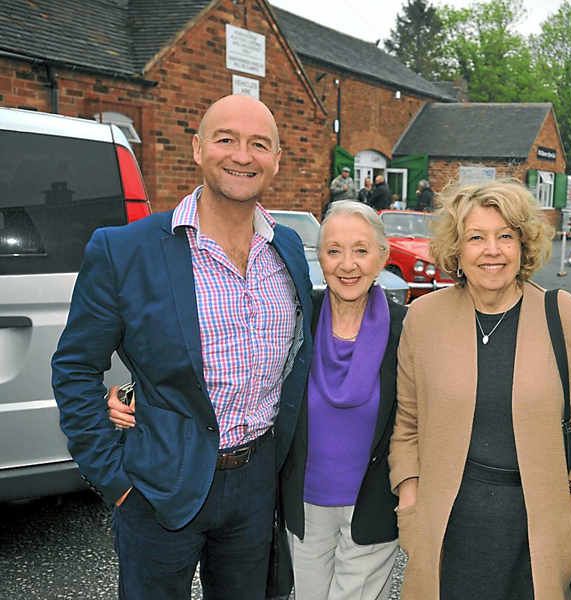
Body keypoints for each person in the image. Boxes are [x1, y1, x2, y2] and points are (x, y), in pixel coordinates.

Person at [52, 94, 314, 599]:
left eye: (259, 144)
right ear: (197, 149)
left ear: (277, 160)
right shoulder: (125, 250)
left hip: (256, 484)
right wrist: (115, 479)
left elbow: (298, 359)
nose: (242, 156)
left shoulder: (288, 251)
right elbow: (75, 368)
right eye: (226, 139)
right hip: (157, 484)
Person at [110, 201, 405, 600]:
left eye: (361, 250)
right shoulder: (298, 314)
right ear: (318, 258)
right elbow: (232, 364)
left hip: (372, 505)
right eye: (334, 250)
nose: (347, 264)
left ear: (382, 256)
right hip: (303, 507)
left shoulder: (407, 329)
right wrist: (134, 393)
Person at [389, 180, 571, 600]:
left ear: (524, 245)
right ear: (457, 249)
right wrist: (410, 500)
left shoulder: (567, 318)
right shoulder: (423, 318)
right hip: (445, 528)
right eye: (476, 237)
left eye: (505, 236)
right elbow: (407, 422)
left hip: (539, 532)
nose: (492, 251)